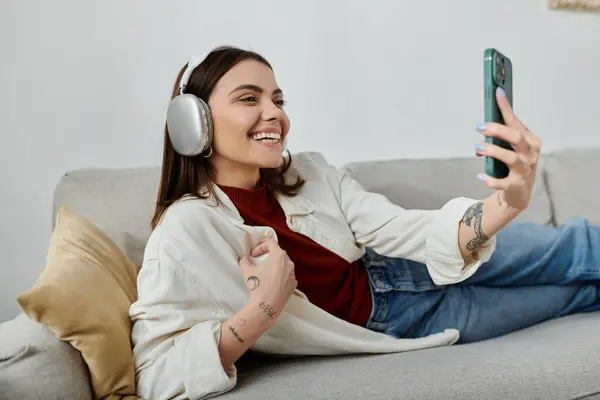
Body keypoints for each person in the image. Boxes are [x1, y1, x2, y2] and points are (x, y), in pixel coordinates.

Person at [128, 45, 600, 400]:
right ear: (195, 123)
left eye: (278, 98)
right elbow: (155, 374)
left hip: (395, 265)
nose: (274, 113)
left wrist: (510, 201)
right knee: (572, 295)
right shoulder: (184, 230)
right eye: (249, 98)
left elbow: (409, 229)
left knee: (577, 249)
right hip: (397, 322)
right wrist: (263, 310)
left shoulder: (310, 172)